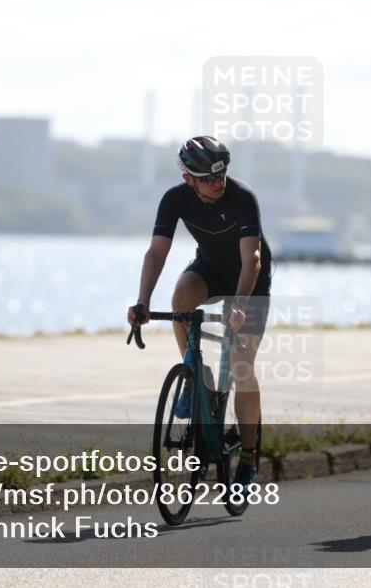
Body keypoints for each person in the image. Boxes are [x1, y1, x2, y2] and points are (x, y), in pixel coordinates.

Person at [128, 135, 272, 487]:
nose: (218, 183)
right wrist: (143, 300)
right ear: (188, 179)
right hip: (209, 269)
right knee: (181, 299)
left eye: (221, 176)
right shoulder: (174, 199)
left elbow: (251, 258)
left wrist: (239, 304)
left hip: (248, 278)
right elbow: (156, 253)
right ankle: (195, 378)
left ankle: (249, 458)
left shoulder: (241, 197)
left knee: (241, 367)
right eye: (208, 179)